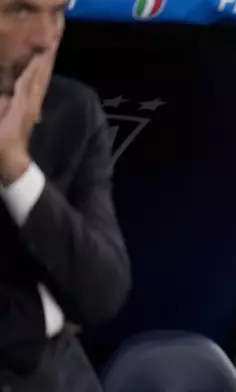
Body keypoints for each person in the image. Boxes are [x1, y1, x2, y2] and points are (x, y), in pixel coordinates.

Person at [0, 0, 131, 391]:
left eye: (57, 12)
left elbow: (103, 289)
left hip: (58, 376)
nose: (45, 37)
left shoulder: (73, 109)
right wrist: (44, 315)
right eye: (20, 11)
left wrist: (14, 165)